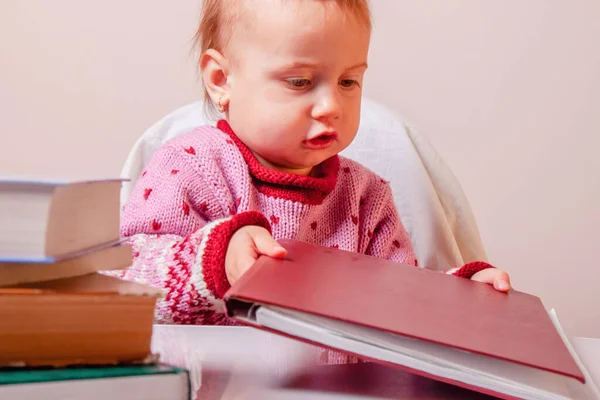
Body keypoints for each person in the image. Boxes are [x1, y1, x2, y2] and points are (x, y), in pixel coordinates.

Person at [116, 0, 511, 337]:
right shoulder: (192, 165)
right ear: (222, 80)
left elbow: (397, 300)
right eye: (300, 81)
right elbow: (125, 287)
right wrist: (216, 258)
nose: (331, 107)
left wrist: (458, 297)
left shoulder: (366, 196)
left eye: (348, 81)